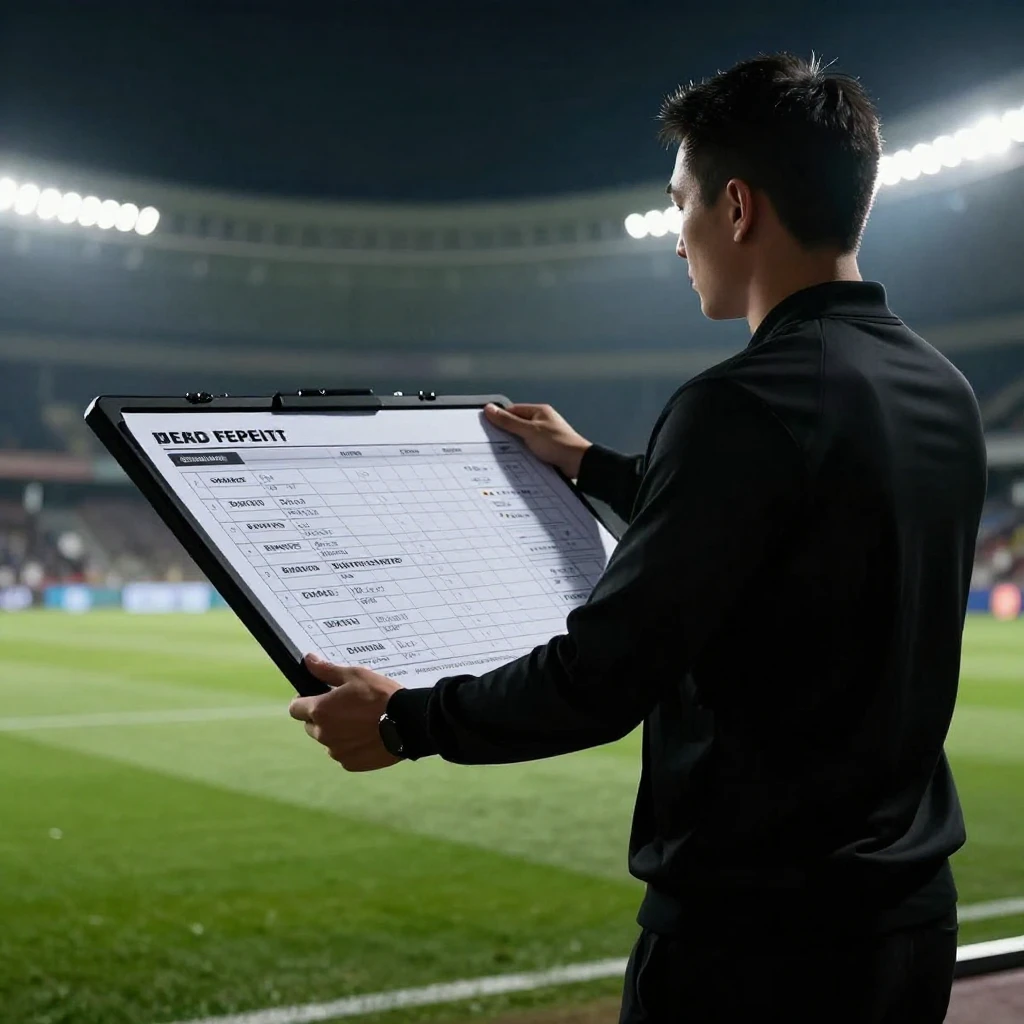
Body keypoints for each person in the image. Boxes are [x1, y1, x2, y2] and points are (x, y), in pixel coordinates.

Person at [289, 53, 987, 1023]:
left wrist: (408, 722)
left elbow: (603, 673)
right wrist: (596, 468)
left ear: (736, 208)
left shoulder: (738, 404)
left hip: (754, 952)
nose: (676, 239)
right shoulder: (940, 390)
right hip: (906, 927)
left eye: (680, 204)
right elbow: (791, 522)